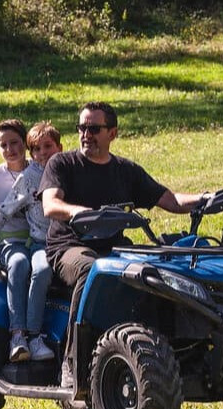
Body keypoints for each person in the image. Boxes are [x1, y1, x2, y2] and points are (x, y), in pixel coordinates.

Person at [40, 101, 209, 301]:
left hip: (115, 247)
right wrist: (78, 212)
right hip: (69, 247)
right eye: (82, 128)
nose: (86, 135)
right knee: (94, 271)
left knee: (155, 274)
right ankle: (79, 331)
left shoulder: (125, 170)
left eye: (93, 129)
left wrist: (205, 199)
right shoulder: (62, 163)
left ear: (112, 134)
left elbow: (172, 201)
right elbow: (50, 204)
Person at [0, 121, 63, 363]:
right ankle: (23, 336)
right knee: (37, 267)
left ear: (60, 147)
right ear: (31, 153)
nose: (43, 153)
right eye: (38, 149)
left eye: (48, 147)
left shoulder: (69, 170)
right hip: (39, 243)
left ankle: (39, 335)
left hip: (66, 242)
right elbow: (4, 210)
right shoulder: (29, 178)